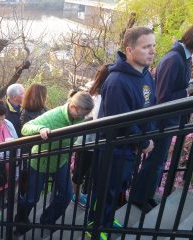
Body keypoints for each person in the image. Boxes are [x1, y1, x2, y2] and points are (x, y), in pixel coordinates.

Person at [88, 27, 156, 234]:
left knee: (117, 188)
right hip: (115, 150)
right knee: (106, 190)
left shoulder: (145, 75)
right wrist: (144, 142)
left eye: (153, 46)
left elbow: (150, 107)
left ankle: (106, 220)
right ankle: (96, 226)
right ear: (129, 50)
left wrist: (147, 136)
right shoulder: (117, 81)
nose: (152, 51)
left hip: (130, 148)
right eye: (146, 47)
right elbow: (122, 122)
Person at [131, 25, 193, 211]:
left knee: (158, 161)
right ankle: (139, 198)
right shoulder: (174, 59)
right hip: (162, 122)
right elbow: (162, 97)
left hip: (168, 121)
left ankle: (146, 196)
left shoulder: (182, 58)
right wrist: (188, 91)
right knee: (155, 161)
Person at [14, 91, 94, 235]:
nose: (83, 117)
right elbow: (26, 127)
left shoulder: (80, 117)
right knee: (32, 198)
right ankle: (20, 220)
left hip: (60, 160)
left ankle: (47, 219)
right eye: (82, 113)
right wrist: (41, 129)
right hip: (40, 161)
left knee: (67, 195)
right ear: (73, 107)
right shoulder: (54, 115)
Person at [71, 64, 110, 209]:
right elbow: (94, 115)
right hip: (86, 139)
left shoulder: (103, 92)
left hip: (97, 139)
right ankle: (76, 195)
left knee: (92, 170)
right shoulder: (92, 93)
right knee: (81, 169)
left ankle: (85, 194)